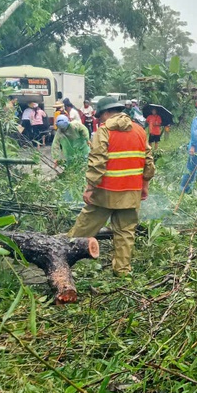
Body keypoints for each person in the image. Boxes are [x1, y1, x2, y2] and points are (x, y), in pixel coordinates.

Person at [67, 96, 155, 276]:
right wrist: (145, 184)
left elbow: (97, 162)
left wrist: (90, 187)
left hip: (105, 193)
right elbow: (148, 161)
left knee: (84, 228)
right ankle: (122, 272)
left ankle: (63, 258)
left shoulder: (104, 131)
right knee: (125, 233)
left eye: (100, 116)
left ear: (107, 112)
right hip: (131, 192)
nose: (99, 119)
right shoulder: (139, 130)